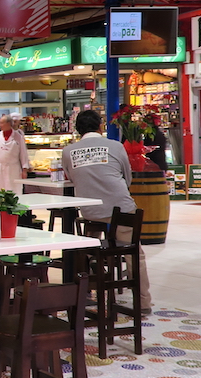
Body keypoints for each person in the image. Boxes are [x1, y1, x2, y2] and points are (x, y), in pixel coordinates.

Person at [62, 109, 152, 315]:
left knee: (89, 243)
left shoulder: (69, 151)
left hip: (91, 212)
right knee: (134, 254)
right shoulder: (115, 146)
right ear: (100, 126)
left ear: (77, 130)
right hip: (122, 209)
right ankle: (143, 302)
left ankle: (88, 284)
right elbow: (126, 177)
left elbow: (71, 177)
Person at [0, 115, 29, 193]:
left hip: (13, 167)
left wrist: (24, 170)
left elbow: (23, 154)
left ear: (9, 124)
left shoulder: (18, 137)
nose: (0, 125)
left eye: (2, 123)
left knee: (14, 189)